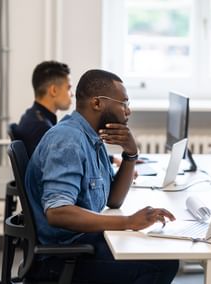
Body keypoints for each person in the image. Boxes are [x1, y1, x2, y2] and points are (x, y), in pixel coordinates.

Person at [25, 69, 179, 283]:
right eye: (123, 102)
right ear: (97, 103)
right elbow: (58, 213)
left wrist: (130, 154)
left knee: (161, 255)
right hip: (62, 259)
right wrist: (128, 222)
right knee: (160, 264)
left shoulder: (92, 139)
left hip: (82, 245)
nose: (128, 111)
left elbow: (113, 200)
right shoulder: (68, 140)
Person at [16, 60, 122, 166]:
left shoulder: (33, 117)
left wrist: (111, 159)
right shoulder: (40, 127)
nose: (72, 94)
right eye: (69, 88)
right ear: (53, 90)